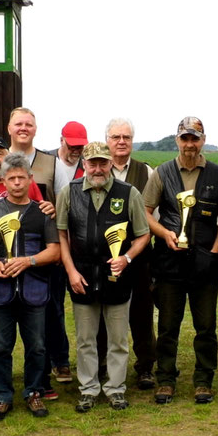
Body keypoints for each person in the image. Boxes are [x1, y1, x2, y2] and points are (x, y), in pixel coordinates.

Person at [57, 142, 150, 412]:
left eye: (103, 163)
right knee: (86, 338)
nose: (98, 169)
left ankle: (116, 389)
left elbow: (143, 233)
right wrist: (70, 270)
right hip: (82, 275)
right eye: (92, 163)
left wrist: (127, 258)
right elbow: (61, 234)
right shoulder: (68, 192)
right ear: (83, 164)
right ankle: (88, 388)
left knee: (118, 338)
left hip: (117, 276)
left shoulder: (128, 192)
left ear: (111, 163)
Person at [0, 153, 61, 420]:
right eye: (12, 178)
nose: (17, 182)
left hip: (35, 290)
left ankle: (34, 392)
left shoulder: (42, 212)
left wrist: (29, 261)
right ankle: (1, 396)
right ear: (4, 181)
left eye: (22, 177)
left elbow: (54, 251)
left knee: (37, 346)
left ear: (30, 179)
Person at [143, 117, 218, 405]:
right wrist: (165, 233)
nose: (190, 144)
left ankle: (204, 380)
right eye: (185, 138)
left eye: (195, 138)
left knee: (206, 326)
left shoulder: (216, 174)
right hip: (169, 262)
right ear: (177, 140)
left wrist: (215, 252)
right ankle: (165, 379)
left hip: (205, 263)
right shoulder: (161, 173)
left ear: (203, 140)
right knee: (168, 325)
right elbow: (144, 211)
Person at [7, 107, 71, 391]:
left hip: (44, 248)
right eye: (18, 123)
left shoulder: (50, 161)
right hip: (6, 247)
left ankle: (56, 361)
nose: (23, 128)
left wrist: (54, 209)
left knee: (51, 311)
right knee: (3, 316)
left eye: (28, 124)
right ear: (9, 127)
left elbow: (62, 202)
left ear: (35, 129)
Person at [95, 118, 157, 389]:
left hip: (139, 255)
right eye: (116, 137)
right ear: (107, 140)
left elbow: (155, 214)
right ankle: (101, 364)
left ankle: (145, 367)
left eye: (126, 137)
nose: (121, 142)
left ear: (133, 141)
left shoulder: (147, 172)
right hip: (102, 257)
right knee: (101, 312)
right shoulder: (96, 170)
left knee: (142, 313)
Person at [53, 120, 87, 197]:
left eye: (80, 147)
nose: (76, 151)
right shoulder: (48, 160)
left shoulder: (88, 165)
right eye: (72, 146)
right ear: (62, 141)